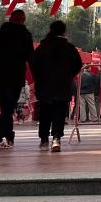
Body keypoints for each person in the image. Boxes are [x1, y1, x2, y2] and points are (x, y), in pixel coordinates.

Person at [29, 21, 83, 152]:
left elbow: (33, 64)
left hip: (44, 85)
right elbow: (78, 64)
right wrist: (68, 75)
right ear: (64, 31)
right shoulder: (69, 48)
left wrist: (38, 78)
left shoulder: (42, 47)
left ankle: (44, 139)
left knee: (45, 112)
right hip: (62, 84)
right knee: (60, 111)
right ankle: (56, 138)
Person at [0, 9, 34, 149]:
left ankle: (9, 135)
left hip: (0, 75)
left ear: (10, 19)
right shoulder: (25, 35)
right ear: (23, 20)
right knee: (8, 108)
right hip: (16, 75)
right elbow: (30, 56)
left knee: (5, 107)